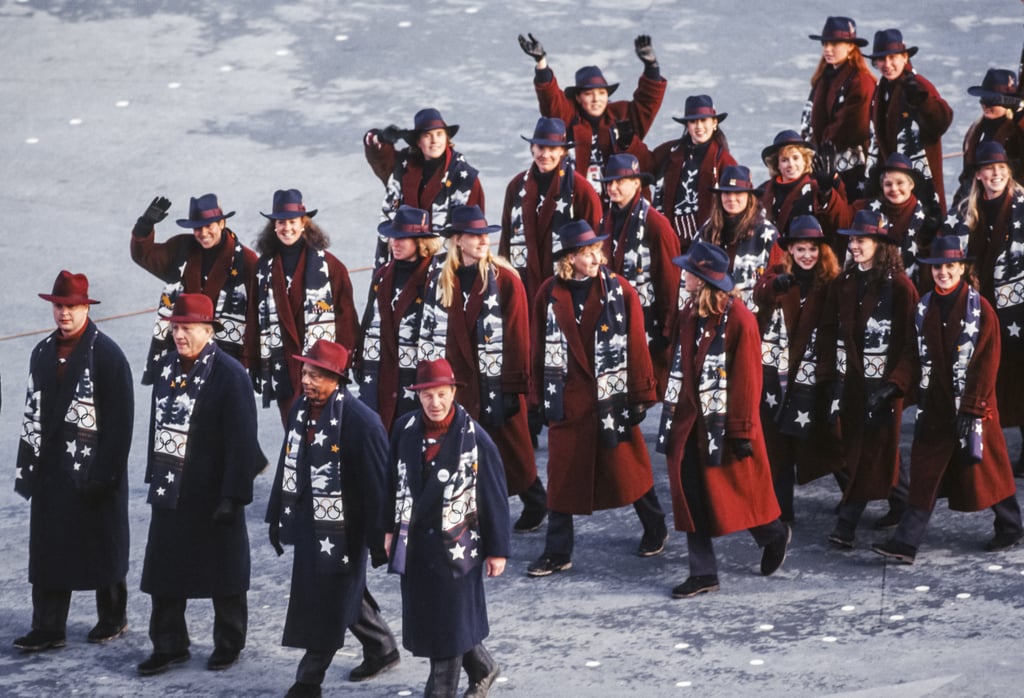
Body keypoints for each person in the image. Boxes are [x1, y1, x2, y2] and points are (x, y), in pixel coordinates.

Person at [527, 221, 668, 576]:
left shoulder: (620, 292)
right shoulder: (548, 293)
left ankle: (655, 527)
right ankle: (558, 552)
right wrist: (535, 398)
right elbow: (537, 348)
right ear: (569, 258)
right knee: (561, 477)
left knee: (628, 470)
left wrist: (640, 396)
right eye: (585, 253)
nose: (594, 258)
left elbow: (637, 345)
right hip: (568, 399)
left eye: (595, 251)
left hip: (612, 397)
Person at [872, 236, 1022, 564]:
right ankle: (905, 544)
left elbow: (986, 363)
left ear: (962, 269)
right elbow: (913, 355)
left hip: (975, 407)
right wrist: (894, 385)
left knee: (988, 469)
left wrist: (972, 408)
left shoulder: (980, 308)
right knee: (924, 474)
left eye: (950, 266)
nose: (943, 272)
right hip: (936, 408)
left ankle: (1011, 526)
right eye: (938, 267)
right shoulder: (923, 307)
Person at [266, 340, 399, 697]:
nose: (306, 381)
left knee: (328, 597)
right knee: (341, 590)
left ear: (337, 379)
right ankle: (382, 648)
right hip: (310, 520)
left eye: (316, 375)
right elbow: (286, 463)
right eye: (305, 372)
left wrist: (381, 540)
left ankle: (308, 680)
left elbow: (379, 487)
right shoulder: (300, 408)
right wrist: (276, 514)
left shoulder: (363, 424)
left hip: (345, 529)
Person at [138, 294, 262, 676]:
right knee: (165, 570)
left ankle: (229, 643)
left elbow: (242, 440)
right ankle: (168, 644)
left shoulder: (230, 374)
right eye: (175, 327)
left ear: (208, 331)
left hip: (213, 492)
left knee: (224, 571)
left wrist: (233, 495)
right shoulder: (166, 366)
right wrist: (154, 474)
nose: (179, 334)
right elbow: (157, 426)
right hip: (172, 486)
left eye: (187, 327)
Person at [657, 241, 790, 598]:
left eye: (688, 271)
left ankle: (773, 533)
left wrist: (741, 431)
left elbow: (748, 379)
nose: (682, 275)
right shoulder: (688, 313)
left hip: (724, 424)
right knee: (692, 494)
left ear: (702, 280)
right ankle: (703, 573)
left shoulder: (741, 320)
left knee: (736, 493)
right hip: (689, 423)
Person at [13, 271, 133, 651]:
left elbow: (120, 423)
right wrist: (28, 466)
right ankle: (48, 626)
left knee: (103, 545)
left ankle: (112, 617)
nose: (64, 314)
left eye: (71, 307)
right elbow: (33, 412)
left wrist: (106, 474)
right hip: (52, 473)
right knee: (49, 550)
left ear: (86, 307)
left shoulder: (109, 355)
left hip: (94, 470)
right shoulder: (42, 353)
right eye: (59, 306)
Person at [384, 358, 510, 698]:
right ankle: (484, 667)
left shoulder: (476, 439)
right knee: (441, 622)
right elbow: (391, 483)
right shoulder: (404, 429)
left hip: (457, 549)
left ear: (453, 392)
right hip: (416, 547)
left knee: (448, 629)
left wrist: (498, 550)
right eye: (427, 396)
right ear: (417, 396)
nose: (435, 403)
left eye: (441, 394)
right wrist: (388, 530)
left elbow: (494, 496)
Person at [418, 205, 548, 532]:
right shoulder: (440, 279)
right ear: (458, 240)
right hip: (459, 382)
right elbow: (431, 332)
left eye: (485, 235)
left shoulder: (505, 280)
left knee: (513, 452)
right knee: (467, 452)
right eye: (474, 236)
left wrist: (512, 387)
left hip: (497, 382)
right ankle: (479, 514)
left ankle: (536, 501)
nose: (482, 241)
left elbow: (519, 338)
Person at [818, 210, 918, 548]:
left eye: (862, 240)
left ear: (880, 244)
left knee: (870, 449)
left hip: (884, 386)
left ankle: (847, 522)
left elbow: (910, 342)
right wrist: (830, 377)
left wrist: (894, 385)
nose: (855, 245)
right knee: (872, 447)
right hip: (851, 383)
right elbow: (830, 331)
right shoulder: (843, 283)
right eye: (852, 239)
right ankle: (903, 503)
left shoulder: (900, 287)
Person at [752, 217, 843, 522]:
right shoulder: (778, 277)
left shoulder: (831, 283)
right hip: (778, 378)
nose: (807, 255)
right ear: (789, 250)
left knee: (830, 441)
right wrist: (775, 286)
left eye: (813, 249)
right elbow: (759, 293)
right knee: (779, 446)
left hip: (814, 376)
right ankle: (781, 510)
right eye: (800, 248)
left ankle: (862, 493)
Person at [248, 189, 359, 424]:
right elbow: (253, 318)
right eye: (280, 222)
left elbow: (346, 318)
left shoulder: (331, 267)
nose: (286, 228)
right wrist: (253, 363)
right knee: (293, 427)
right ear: (273, 226)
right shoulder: (263, 269)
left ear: (303, 224)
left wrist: (344, 361)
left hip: (322, 364)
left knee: (326, 428)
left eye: (292, 221)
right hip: (283, 364)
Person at [517, 32, 666, 202]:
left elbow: (648, 102)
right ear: (578, 98)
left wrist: (651, 66)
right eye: (589, 93)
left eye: (602, 93)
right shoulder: (569, 117)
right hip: (581, 207)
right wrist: (541, 63)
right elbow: (550, 100)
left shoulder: (621, 115)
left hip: (623, 206)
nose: (596, 99)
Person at [950, 142, 1024, 475]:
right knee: (984, 376)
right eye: (988, 169)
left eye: (1001, 168)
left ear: (1008, 172)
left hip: (1018, 306)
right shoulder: (968, 208)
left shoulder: (1022, 205)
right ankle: (979, 449)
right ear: (978, 175)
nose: (995, 174)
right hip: (983, 305)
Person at [130, 193, 258, 383]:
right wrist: (144, 226)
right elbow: (144, 255)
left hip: (225, 355)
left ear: (222, 223)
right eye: (198, 228)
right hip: (183, 351)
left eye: (209, 226)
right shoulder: (181, 248)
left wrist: (247, 361)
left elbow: (255, 314)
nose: (203, 233)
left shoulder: (246, 261)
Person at [354, 205, 443, 432]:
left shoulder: (434, 278)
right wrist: (360, 359)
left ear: (420, 242)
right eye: (393, 238)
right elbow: (368, 319)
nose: (395, 243)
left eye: (402, 238)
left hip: (414, 374)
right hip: (380, 371)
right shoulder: (383, 274)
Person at [598, 153, 681, 396]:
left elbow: (670, 280)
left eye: (619, 182)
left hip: (651, 322)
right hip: (617, 317)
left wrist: (667, 329)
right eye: (608, 182)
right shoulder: (606, 219)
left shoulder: (656, 224)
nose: (612, 188)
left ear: (636, 183)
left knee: (655, 389)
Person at [499, 116, 602, 310]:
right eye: (540, 147)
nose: (545, 154)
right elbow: (505, 240)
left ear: (563, 151)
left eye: (552, 149)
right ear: (532, 149)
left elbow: (595, 247)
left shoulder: (581, 190)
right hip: (525, 283)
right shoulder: (515, 187)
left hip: (566, 287)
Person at [364, 108, 484, 268]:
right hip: (399, 262)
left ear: (447, 138)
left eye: (439, 134)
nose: (435, 140)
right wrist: (381, 136)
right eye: (427, 135)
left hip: (444, 267)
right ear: (418, 141)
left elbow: (475, 228)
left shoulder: (465, 178)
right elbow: (376, 153)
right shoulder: (401, 167)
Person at [863, 28, 953, 218]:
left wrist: (922, 102)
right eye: (881, 59)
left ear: (905, 57)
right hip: (895, 183)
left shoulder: (919, 84)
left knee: (925, 234)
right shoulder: (882, 88)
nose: (887, 64)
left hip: (921, 182)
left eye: (892, 57)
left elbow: (942, 122)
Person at [819, 152, 942, 289]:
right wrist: (826, 192)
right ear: (882, 186)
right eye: (888, 184)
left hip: (909, 287)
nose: (894, 189)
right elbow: (841, 219)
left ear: (911, 185)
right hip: (868, 286)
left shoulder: (927, 220)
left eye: (900, 183)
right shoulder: (865, 208)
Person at [800, 16, 876, 196]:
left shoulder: (860, 81)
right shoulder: (823, 77)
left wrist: (818, 150)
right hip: (821, 161)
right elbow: (809, 118)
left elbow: (852, 127)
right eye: (825, 44)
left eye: (834, 44)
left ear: (851, 46)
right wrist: (805, 151)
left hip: (851, 167)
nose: (828, 49)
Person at [648, 94, 736, 247]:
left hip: (708, 242)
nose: (699, 126)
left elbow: (738, 200)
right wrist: (627, 143)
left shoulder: (725, 161)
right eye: (693, 121)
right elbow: (641, 168)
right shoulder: (669, 152)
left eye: (704, 120)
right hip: (670, 240)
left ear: (714, 123)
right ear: (687, 126)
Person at [698, 165, 779, 310]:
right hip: (712, 314)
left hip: (751, 317)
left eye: (738, 193)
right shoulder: (707, 230)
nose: (732, 199)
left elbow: (776, 286)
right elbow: (690, 277)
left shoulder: (767, 234)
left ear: (749, 197)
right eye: (726, 193)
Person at [759, 130, 838, 248]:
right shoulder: (763, 190)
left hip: (808, 254)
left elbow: (835, 221)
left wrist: (826, 192)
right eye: (784, 160)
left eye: (795, 158)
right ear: (777, 164)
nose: (791, 164)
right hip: (775, 255)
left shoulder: (817, 186)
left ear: (805, 160)